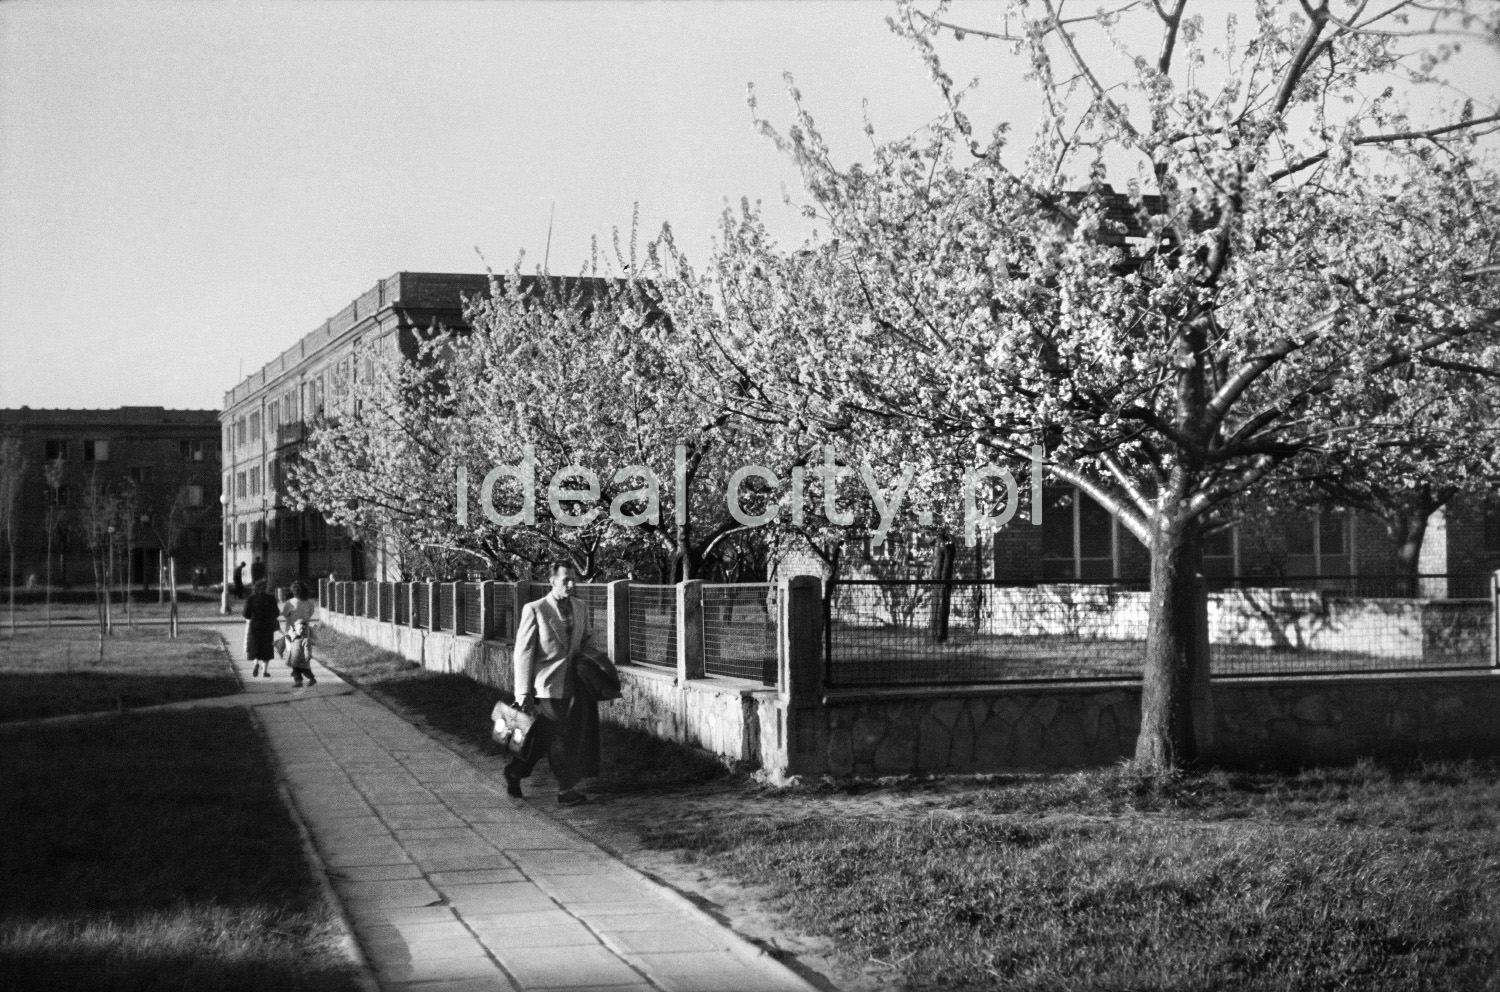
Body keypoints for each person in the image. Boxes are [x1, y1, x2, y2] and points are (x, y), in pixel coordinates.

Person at [505, 562, 602, 807]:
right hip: (544, 687)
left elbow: (587, 639)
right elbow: (523, 652)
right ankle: (565, 790)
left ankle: (516, 771)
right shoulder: (535, 609)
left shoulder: (580, 607)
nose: (571, 584)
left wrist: (595, 665)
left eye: (573, 579)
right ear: (552, 581)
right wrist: (523, 692)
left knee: (542, 737)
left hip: (573, 685)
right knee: (561, 735)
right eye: (565, 579)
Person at [242, 579, 280, 678]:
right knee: (266, 648)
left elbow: (245, 614)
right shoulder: (271, 599)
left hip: (255, 625)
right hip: (267, 626)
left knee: (255, 646)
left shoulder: (251, 599)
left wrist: (252, 617)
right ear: (265, 588)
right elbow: (276, 613)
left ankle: (256, 664)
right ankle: (264, 671)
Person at [283, 618, 316, 688]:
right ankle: (298, 682)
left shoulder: (306, 640)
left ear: (306, 630)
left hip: (303, 660)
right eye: (300, 629)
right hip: (294, 658)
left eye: (303, 629)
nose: (301, 631)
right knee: (296, 671)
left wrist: (308, 656)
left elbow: (307, 649)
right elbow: (288, 637)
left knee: (306, 671)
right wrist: (288, 633)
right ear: (296, 629)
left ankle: (312, 679)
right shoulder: (293, 635)